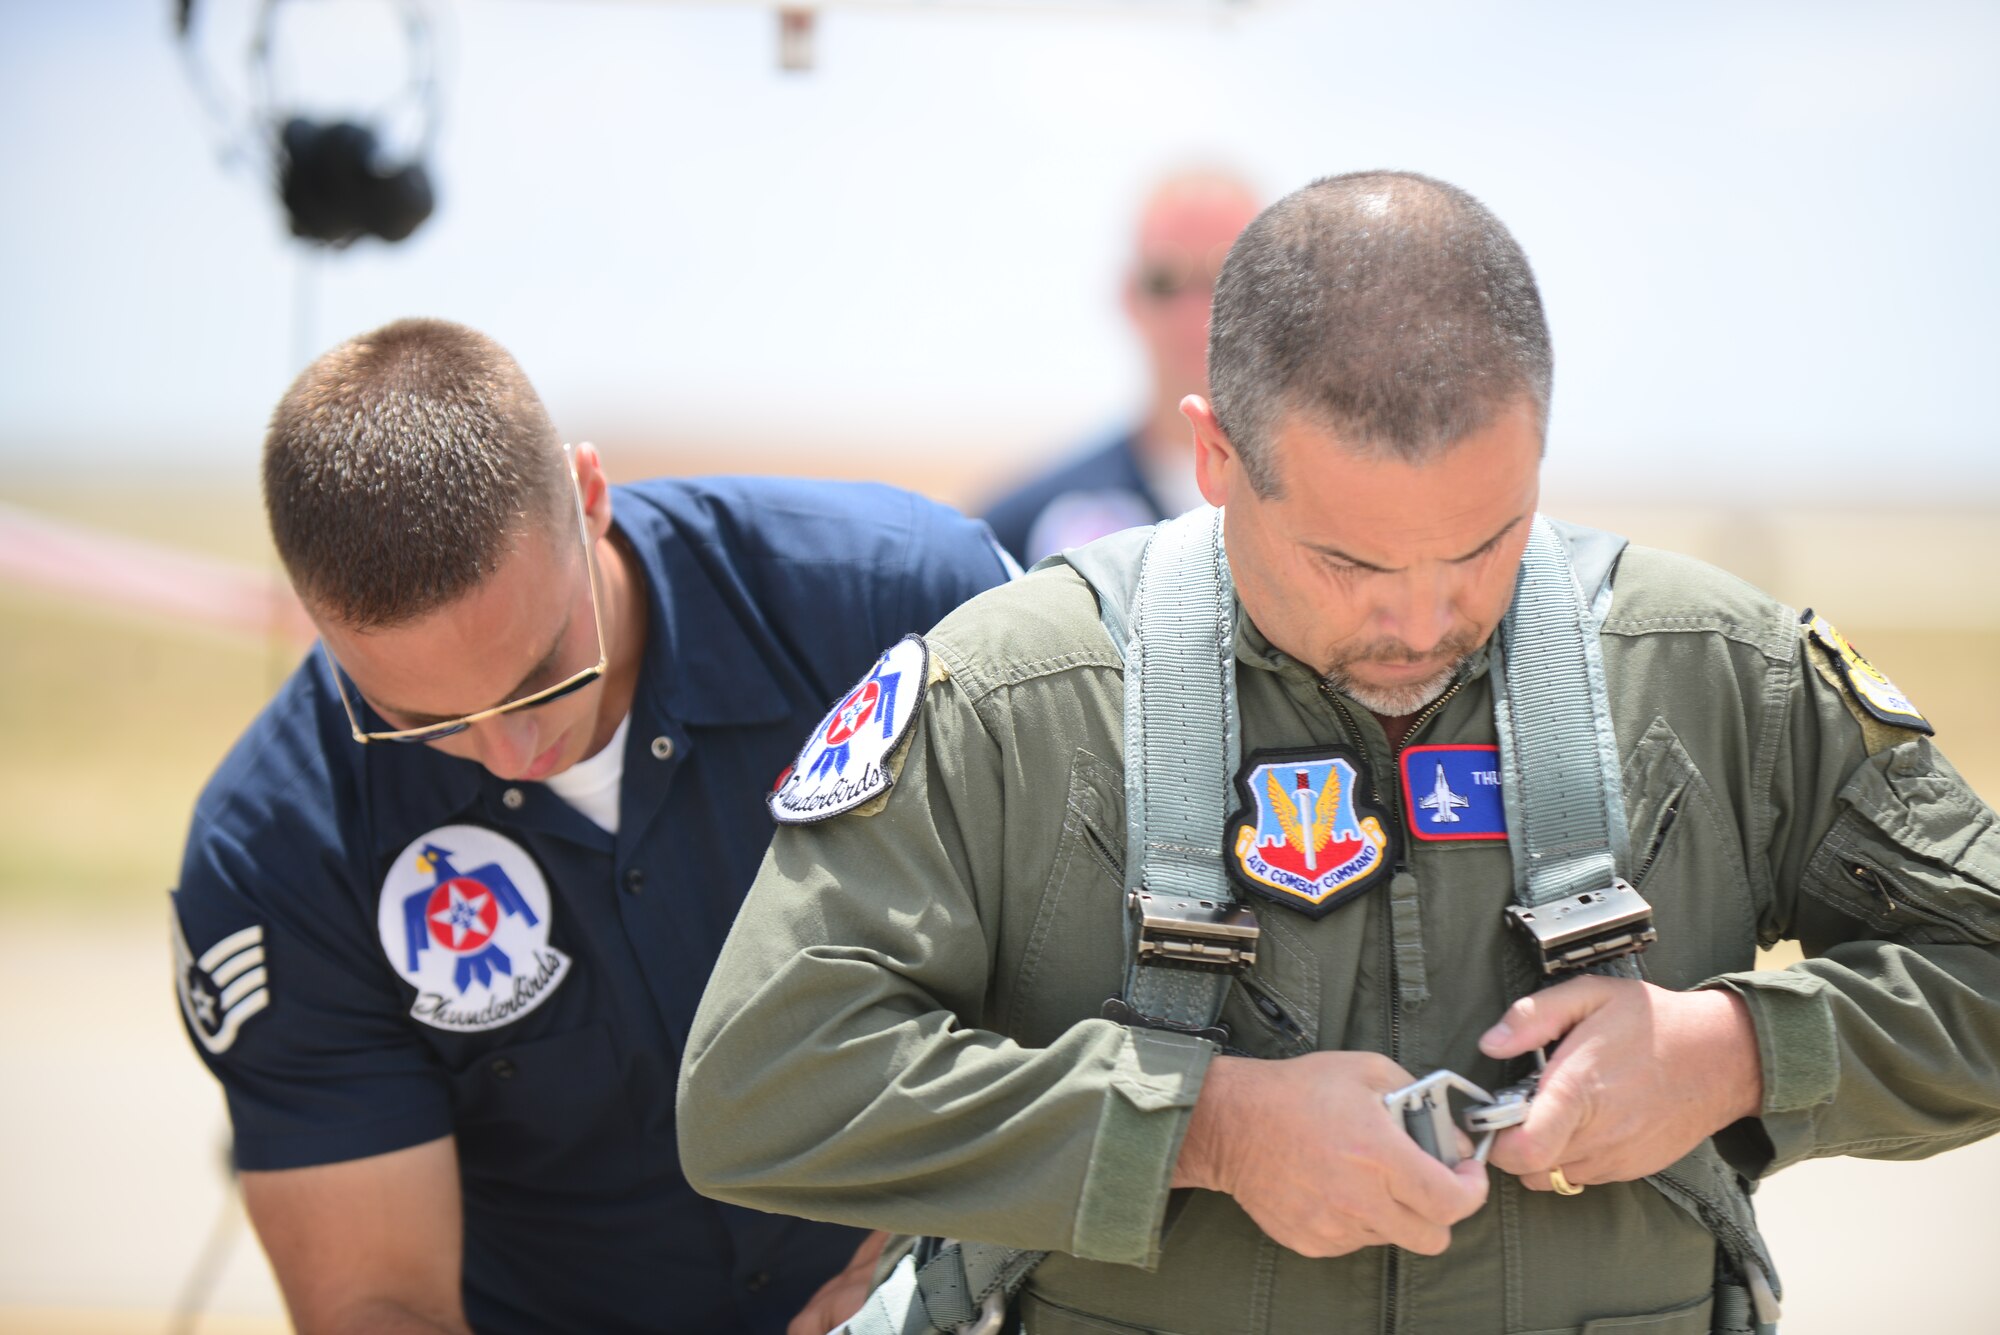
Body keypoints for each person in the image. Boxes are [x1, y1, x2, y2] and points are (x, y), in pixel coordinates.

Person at [677, 173, 2000, 1333]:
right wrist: (1204, 1127)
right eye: (1349, 560)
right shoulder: (1025, 697)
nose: (1421, 622)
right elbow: (763, 1084)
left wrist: (1738, 1050)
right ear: (1213, 452)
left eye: (1484, 542)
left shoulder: (1714, 672)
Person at [170, 318, 1012, 1335]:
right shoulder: (280, 850)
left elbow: (1096, 973)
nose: (512, 752)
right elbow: (377, 1303)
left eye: (542, 675)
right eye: (422, 721)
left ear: (589, 498)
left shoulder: (908, 606)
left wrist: (912, 1279)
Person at [981, 169, 1260, 566]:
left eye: (1227, 277)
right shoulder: (1026, 528)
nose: (1196, 309)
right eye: (1165, 280)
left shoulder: (1334, 511)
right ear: (1129, 296)